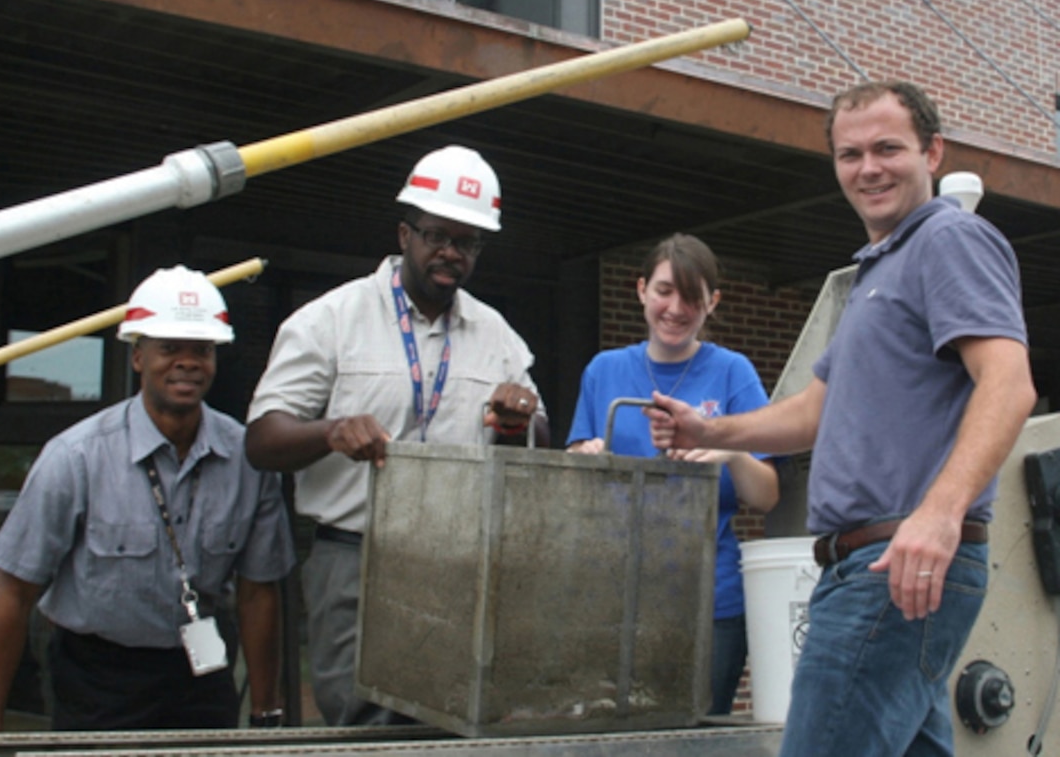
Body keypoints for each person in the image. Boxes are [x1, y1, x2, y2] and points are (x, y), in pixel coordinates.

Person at [645, 81, 1036, 756]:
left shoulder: (950, 238)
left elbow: (1009, 383)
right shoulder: (880, 269)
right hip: (873, 569)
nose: (869, 168)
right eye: (850, 153)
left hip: (897, 567)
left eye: (888, 148)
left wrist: (940, 512)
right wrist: (711, 432)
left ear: (932, 151)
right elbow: (814, 410)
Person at [245, 144, 548, 726]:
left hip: (458, 560)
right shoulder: (330, 321)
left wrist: (518, 421)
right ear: (405, 233)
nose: (450, 253)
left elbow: (537, 432)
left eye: (467, 242)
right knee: (362, 725)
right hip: (355, 557)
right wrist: (331, 431)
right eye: (437, 235)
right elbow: (262, 440)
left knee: (450, 723)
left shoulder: (495, 333)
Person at [0, 265, 296, 732]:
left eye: (201, 350)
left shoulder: (247, 460)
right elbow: (14, 593)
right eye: (169, 349)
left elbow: (257, 593)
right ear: (138, 357)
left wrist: (266, 712)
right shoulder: (75, 458)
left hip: (203, 671)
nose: (187, 362)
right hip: (97, 677)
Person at [566, 232, 778, 716]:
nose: (676, 308)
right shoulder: (604, 370)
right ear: (642, 290)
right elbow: (576, 473)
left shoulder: (733, 373)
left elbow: (766, 497)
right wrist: (586, 456)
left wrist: (729, 450)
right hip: (615, 595)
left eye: (692, 296)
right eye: (665, 291)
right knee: (615, 734)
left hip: (711, 601)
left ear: (713, 302)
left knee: (699, 731)